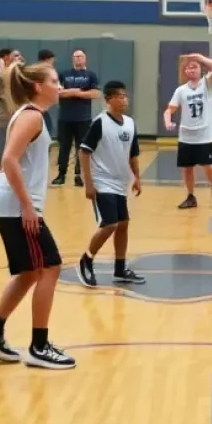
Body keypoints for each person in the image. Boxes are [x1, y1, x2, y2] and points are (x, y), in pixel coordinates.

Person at [0, 60, 75, 370]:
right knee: (50, 267)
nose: (59, 86)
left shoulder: (33, 116)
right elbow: (9, 160)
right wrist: (28, 206)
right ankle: (39, 346)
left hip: (12, 205)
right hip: (17, 205)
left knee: (31, 272)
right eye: (54, 81)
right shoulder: (32, 116)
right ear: (38, 86)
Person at [77, 80, 145, 288]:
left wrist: (137, 178)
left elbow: (133, 155)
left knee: (123, 225)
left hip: (120, 183)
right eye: (120, 96)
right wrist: (88, 183)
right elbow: (84, 151)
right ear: (109, 100)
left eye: (125, 96)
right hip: (102, 181)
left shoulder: (131, 123)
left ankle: (120, 269)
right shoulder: (100, 122)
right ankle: (86, 260)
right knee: (110, 224)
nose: (124, 100)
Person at [165, 52, 212, 211]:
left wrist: (198, 57)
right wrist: (168, 120)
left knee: (208, 166)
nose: (191, 69)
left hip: (204, 136)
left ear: (201, 69)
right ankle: (191, 197)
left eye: (195, 66)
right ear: (184, 72)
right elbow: (169, 110)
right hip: (186, 136)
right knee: (187, 168)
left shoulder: (207, 84)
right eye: (188, 67)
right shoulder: (181, 90)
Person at [52, 49, 100, 188]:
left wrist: (73, 93)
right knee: (64, 147)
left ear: (85, 59)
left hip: (83, 118)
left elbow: (95, 94)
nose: (78, 59)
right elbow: (57, 92)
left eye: (80, 56)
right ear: (72, 59)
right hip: (65, 118)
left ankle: (79, 175)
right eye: (75, 57)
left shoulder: (91, 75)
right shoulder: (63, 74)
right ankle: (61, 174)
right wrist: (77, 91)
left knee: (82, 147)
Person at [0, 48, 21, 178]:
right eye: (16, 56)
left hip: (19, 118)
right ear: (6, 58)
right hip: (4, 118)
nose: (19, 58)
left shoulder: (20, 73)